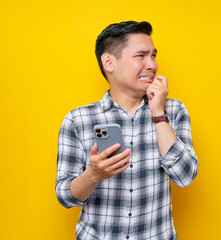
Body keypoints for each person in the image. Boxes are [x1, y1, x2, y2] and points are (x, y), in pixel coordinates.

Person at [55, 21, 198, 239]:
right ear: (109, 62)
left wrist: (158, 113)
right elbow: (65, 196)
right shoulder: (78, 120)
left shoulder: (174, 110)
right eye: (141, 56)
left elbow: (185, 176)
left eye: (153, 55)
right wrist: (93, 175)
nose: (151, 64)